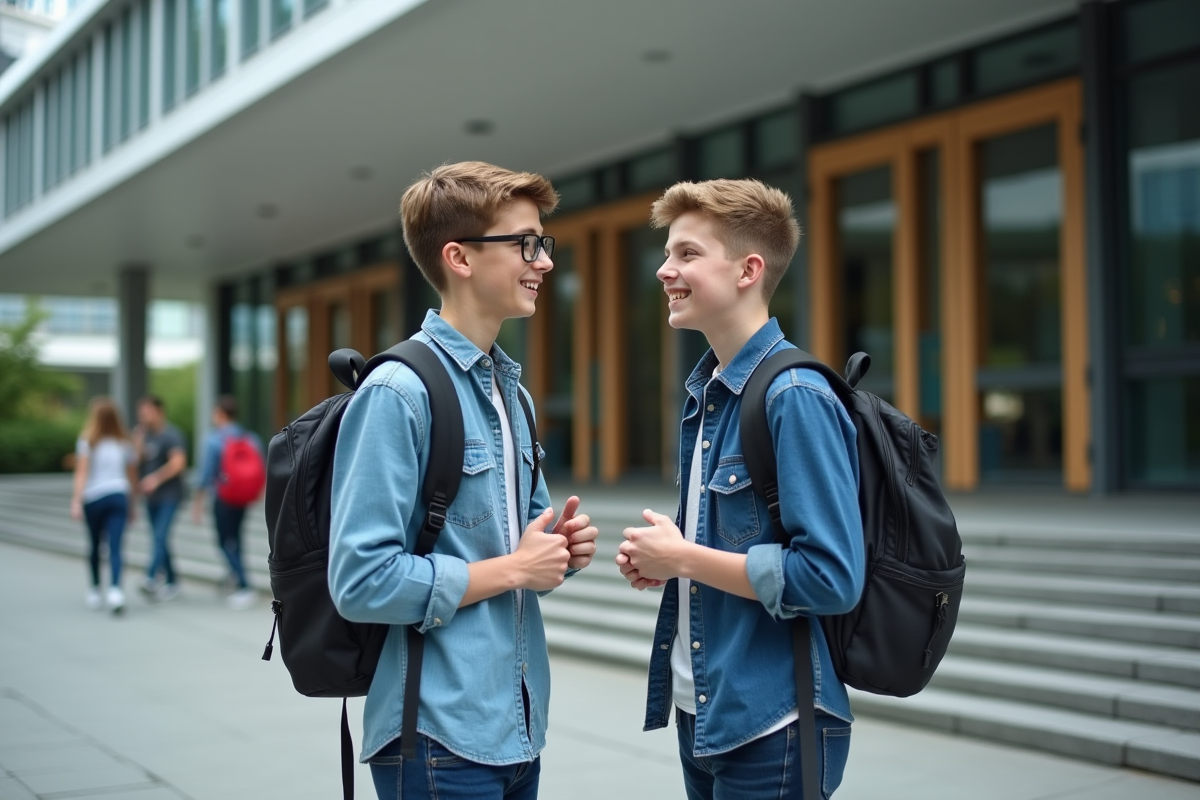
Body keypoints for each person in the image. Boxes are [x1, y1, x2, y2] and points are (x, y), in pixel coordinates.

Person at [328, 161, 600, 800]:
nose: (544, 262)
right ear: (460, 258)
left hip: (518, 726)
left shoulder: (512, 393)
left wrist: (558, 550)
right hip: (435, 741)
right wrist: (514, 570)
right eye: (525, 244)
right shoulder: (398, 393)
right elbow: (361, 581)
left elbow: (519, 551)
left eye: (544, 244)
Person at [615, 179, 866, 800]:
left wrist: (683, 559)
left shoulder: (794, 398)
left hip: (773, 722)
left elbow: (832, 577)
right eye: (668, 253)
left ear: (749, 269)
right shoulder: (709, 394)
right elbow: (731, 548)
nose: (664, 270)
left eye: (687, 254)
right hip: (706, 711)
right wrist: (670, 564)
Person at [193, 395, 262, 610]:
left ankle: (244, 584)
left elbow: (206, 474)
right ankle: (236, 577)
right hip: (242, 498)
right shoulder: (250, 438)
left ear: (221, 414)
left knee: (224, 541)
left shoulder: (214, 439)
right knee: (237, 538)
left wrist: (198, 502)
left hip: (223, 497)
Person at [70, 396, 138, 614]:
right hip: (119, 495)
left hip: (95, 496)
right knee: (116, 546)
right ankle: (115, 590)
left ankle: (95, 588)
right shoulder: (124, 443)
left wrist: (76, 500)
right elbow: (132, 477)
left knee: (95, 545)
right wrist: (133, 504)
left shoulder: (87, 441)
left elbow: (82, 473)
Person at [133, 394, 188, 602]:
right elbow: (136, 462)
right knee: (160, 538)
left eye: (146, 412)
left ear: (159, 411)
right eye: (141, 413)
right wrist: (137, 442)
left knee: (159, 535)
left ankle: (151, 577)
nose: (143, 416)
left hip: (170, 495)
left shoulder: (171, 435)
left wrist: (155, 479)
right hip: (151, 498)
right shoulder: (144, 435)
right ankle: (173, 581)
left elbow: (178, 463)